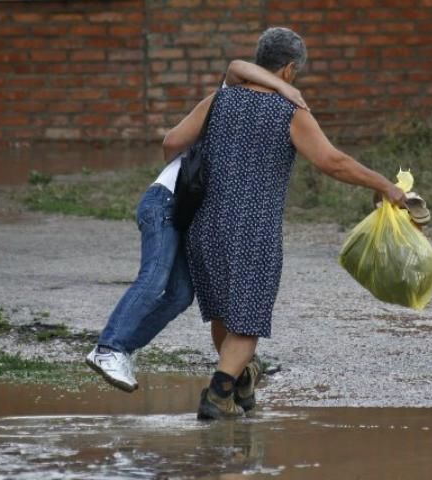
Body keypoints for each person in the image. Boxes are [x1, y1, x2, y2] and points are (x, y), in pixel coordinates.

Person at [162, 27, 407, 420]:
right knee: (249, 318)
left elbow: (172, 142)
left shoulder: (218, 101)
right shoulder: (288, 111)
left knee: (224, 313)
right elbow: (333, 162)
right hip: (253, 228)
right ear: (290, 70)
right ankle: (218, 394)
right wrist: (385, 186)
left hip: (203, 225)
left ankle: (241, 380)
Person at [85, 60, 309, 392]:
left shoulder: (241, 116)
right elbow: (235, 66)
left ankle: (124, 350)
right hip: (165, 201)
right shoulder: (228, 99)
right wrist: (285, 88)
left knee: (180, 295)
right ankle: (108, 348)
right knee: (155, 278)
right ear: (288, 70)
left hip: (183, 212)